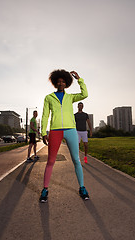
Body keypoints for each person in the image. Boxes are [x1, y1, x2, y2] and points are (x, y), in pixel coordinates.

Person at [40, 69, 89, 202]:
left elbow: (85, 94)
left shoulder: (70, 97)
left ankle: (82, 188)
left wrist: (80, 79)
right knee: (50, 161)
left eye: (63, 81)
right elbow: (45, 115)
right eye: (58, 81)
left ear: (66, 83)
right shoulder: (49, 97)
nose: (61, 83)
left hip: (71, 130)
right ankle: (45, 189)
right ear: (55, 83)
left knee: (76, 160)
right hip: (55, 131)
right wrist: (43, 132)